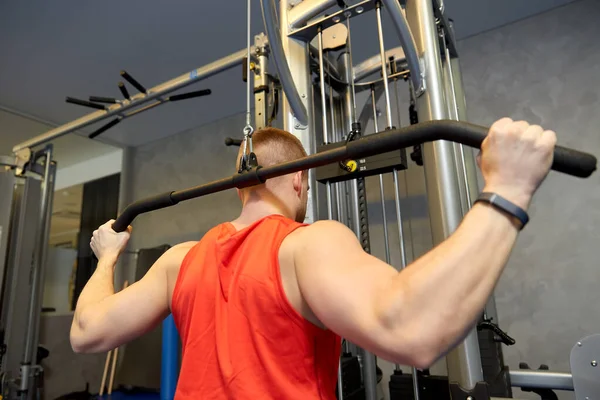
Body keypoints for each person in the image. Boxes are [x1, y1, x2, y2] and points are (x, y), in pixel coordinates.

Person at [70, 117, 556, 400]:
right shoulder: (306, 244)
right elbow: (413, 329)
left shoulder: (180, 260)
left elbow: (87, 333)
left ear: (239, 186)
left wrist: (107, 259)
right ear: (300, 180)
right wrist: (507, 189)